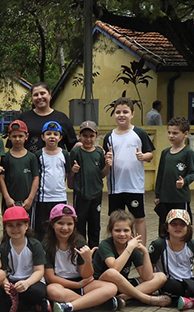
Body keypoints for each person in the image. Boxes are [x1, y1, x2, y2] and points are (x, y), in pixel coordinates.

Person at [44, 203, 120, 312]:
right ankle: (98, 303)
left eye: (70, 224)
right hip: (60, 284)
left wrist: (88, 260)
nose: (65, 228)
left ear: (74, 225)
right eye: (60, 223)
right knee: (52, 291)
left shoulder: (79, 242)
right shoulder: (46, 245)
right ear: (52, 224)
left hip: (82, 284)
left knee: (111, 287)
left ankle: (69, 306)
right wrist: (77, 285)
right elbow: (50, 277)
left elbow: (87, 275)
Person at [92, 210, 170, 306]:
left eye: (126, 230)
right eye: (117, 230)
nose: (122, 234)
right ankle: (145, 298)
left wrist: (145, 252)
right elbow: (115, 269)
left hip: (123, 286)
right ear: (111, 231)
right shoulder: (105, 245)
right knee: (111, 272)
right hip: (102, 284)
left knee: (160, 276)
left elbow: (147, 277)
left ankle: (124, 297)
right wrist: (129, 248)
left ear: (131, 232)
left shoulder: (132, 247)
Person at [103, 99, 155, 242]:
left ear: (132, 114)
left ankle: (141, 250)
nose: (121, 115)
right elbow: (105, 159)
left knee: (139, 219)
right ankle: (117, 250)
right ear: (114, 114)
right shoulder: (109, 137)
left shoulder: (139, 133)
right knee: (115, 221)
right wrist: (107, 160)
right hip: (115, 187)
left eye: (125, 112)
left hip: (134, 185)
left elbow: (150, 154)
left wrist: (143, 156)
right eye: (118, 112)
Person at [0, 205, 50, 312]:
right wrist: (5, 284)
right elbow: (2, 272)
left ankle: (23, 303)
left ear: (26, 225)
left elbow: (39, 271)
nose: (15, 229)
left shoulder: (35, 244)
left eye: (19, 224)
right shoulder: (4, 247)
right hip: (12, 282)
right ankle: (34, 306)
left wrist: (27, 283)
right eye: (10, 225)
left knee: (38, 292)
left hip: (31, 282)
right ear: (5, 228)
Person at [153, 117, 194, 237]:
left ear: (185, 134)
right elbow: (160, 174)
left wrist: (184, 182)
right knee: (164, 226)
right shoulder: (165, 153)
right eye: (169, 132)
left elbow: (193, 173)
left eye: (175, 133)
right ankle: (163, 251)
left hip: (180, 199)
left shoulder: (188, 153)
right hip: (165, 198)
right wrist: (158, 194)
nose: (171, 136)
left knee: (182, 226)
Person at [68, 119, 106, 247]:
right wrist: (73, 171)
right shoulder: (76, 152)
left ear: (96, 136)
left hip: (96, 194)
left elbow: (102, 173)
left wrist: (109, 166)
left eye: (91, 136)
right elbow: (70, 174)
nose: (88, 139)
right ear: (79, 136)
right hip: (81, 194)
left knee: (95, 225)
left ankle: (94, 253)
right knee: (80, 225)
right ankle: (80, 252)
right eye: (84, 136)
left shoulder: (99, 152)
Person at [33, 121, 72, 239]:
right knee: (42, 230)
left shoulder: (64, 154)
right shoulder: (38, 154)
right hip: (43, 199)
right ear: (42, 137)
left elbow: (66, 173)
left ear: (60, 137)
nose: (52, 137)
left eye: (55, 134)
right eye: (48, 134)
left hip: (60, 197)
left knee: (58, 228)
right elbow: (36, 175)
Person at [0, 121, 40, 228]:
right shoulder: (5, 157)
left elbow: (36, 178)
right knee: (9, 227)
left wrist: (30, 199)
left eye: (20, 136)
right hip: (10, 202)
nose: (17, 139)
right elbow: (1, 178)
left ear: (26, 136)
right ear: (9, 137)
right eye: (14, 136)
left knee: (27, 228)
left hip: (27, 202)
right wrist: (6, 197)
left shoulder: (31, 157)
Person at [24, 82, 77, 154]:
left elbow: (73, 145)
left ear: (50, 95)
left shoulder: (61, 118)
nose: (39, 97)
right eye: (36, 95)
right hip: (31, 164)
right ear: (32, 99)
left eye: (42, 93)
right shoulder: (23, 118)